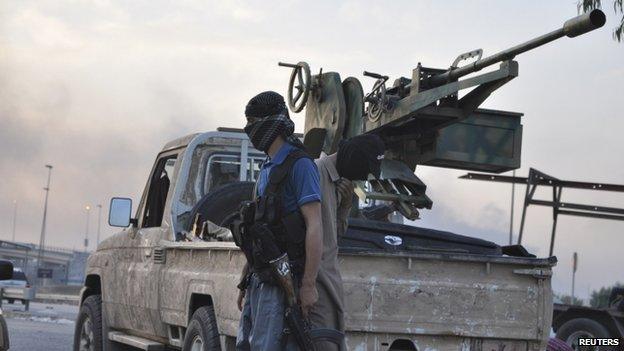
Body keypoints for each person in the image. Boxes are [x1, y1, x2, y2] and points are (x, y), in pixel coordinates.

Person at [236, 91, 323, 351]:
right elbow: (259, 231)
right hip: (260, 278)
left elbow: (315, 226)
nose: (249, 130)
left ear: (268, 124)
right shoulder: (266, 168)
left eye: (252, 123)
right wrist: (245, 280)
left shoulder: (300, 165)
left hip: (283, 280)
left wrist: (308, 285)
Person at [311, 134, 385, 351]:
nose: (363, 176)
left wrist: (344, 207)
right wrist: (307, 285)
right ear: (353, 158)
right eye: (364, 168)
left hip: (329, 281)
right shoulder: (315, 173)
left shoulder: (340, 184)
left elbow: (333, 235)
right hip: (316, 281)